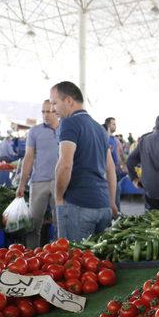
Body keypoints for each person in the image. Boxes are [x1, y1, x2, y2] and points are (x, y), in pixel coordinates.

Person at [50, 81, 118, 242]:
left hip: (78, 205)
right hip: (103, 206)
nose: (53, 109)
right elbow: (111, 169)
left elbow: (65, 164)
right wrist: (112, 201)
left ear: (68, 100)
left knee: (73, 260)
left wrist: (59, 197)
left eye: (54, 103)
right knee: (97, 262)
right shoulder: (99, 128)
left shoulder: (69, 123)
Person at [16, 100, 60, 249]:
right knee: (33, 225)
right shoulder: (34, 131)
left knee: (60, 223)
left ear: (56, 111)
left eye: (49, 111)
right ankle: (31, 256)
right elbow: (28, 157)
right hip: (38, 182)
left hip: (60, 182)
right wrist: (22, 184)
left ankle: (60, 255)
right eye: (43, 112)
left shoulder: (66, 130)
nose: (45, 115)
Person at [103, 117, 126, 211]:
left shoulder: (115, 139)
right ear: (108, 125)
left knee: (116, 196)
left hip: (115, 173)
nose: (115, 126)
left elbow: (120, 154)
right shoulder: (104, 138)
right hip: (106, 172)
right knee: (111, 197)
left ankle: (116, 218)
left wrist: (123, 166)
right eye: (113, 124)